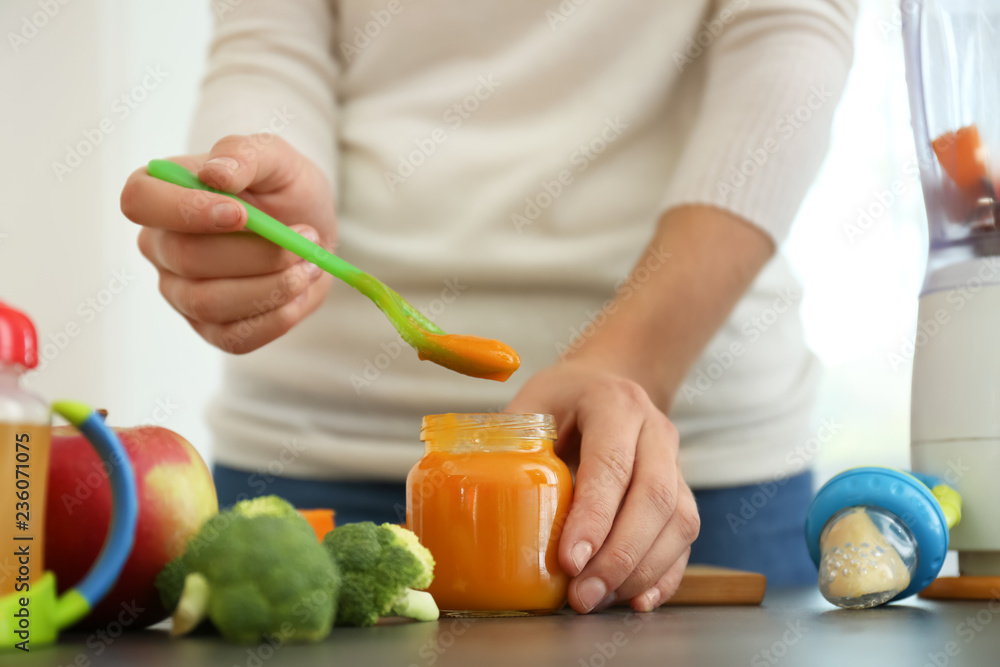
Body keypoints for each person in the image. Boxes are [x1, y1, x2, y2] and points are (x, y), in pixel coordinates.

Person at [121, 0, 858, 614]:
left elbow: (792, 31)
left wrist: (633, 358)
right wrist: (262, 201)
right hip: (312, 453)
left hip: (671, 473)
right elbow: (269, 40)